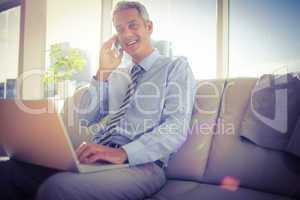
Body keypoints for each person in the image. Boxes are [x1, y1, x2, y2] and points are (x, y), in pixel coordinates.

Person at [0, 1, 196, 200]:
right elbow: (86, 116)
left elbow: (176, 126)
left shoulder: (175, 67)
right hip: (95, 159)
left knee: (58, 188)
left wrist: (122, 153)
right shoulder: (117, 75)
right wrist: (103, 72)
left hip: (143, 165)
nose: (126, 34)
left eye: (133, 25)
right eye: (119, 29)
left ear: (149, 27)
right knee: (8, 171)